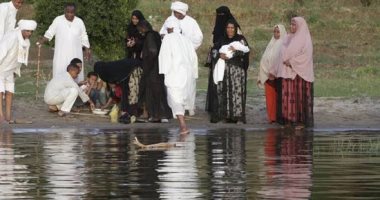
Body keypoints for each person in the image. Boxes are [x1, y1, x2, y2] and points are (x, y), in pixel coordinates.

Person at [159, 18, 198, 134]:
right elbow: (194, 58)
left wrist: (163, 71)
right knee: (181, 99)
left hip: (174, 74)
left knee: (175, 99)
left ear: (169, 28)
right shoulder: (186, 40)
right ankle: (183, 126)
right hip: (187, 75)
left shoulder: (168, 38)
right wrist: (194, 74)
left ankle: (183, 126)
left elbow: (164, 56)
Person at [37, 3, 91, 82]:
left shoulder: (79, 22)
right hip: (61, 55)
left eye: (71, 12)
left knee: (76, 75)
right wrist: (42, 41)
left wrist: (87, 49)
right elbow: (50, 33)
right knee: (60, 74)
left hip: (75, 54)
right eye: (67, 12)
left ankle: (76, 91)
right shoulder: (58, 20)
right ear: (64, 11)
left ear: (75, 12)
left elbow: (84, 36)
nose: (69, 14)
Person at [209, 20, 250, 124]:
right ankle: (226, 115)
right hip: (224, 71)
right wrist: (219, 55)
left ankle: (237, 116)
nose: (230, 30)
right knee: (224, 91)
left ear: (235, 29)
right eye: (228, 28)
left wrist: (235, 52)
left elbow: (246, 51)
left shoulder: (240, 39)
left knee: (236, 92)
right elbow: (213, 50)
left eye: (232, 28)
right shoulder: (222, 39)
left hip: (237, 71)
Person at [277, 17, 314, 129]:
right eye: (291, 24)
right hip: (288, 72)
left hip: (300, 75)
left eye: (294, 25)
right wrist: (286, 60)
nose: (291, 27)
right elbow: (282, 52)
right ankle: (288, 120)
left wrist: (292, 62)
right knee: (288, 96)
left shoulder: (306, 40)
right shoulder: (287, 38)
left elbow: (306, 56)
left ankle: (300, 122)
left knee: (300, 98)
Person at [0, 19, 36, 123]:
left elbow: (20, 59)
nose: (29, 33)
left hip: (10, 70)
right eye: (27, 31)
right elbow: (1, 52)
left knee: (10, 92)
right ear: (22, 29)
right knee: (0, 92)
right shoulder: (11, 37)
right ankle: (0, 116)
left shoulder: (26, 42)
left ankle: (8, 116)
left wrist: (16, 70)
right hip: (1, 68)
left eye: (31, 31)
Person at [206, 6, 240, 116]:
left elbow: (239, 44)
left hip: (231, 61)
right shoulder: (217, 28)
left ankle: (229, 108)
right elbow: (214, 43)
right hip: (217, 60)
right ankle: (216, 107)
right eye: (218, 15)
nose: (220, 18)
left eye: (222, 15)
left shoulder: (234, 27)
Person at [137, 20, 172, 122]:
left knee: (152, 92)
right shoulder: (156, 35)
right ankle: (161, 114)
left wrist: (148, 64)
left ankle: (157, 115)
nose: (140, 32)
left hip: (152, 69)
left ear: (143, 28)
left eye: (140, 30)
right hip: (158, 68)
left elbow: (153, 51)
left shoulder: (149, 36)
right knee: (159, 91)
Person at [94, 58, 143, 122]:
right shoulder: (112, 73)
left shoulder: (111, 72)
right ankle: (131, 114)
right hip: (130, 70)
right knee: (130, 95)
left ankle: (134, 114)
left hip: (134, 68)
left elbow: (125, 95)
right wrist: (106, 106)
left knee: (133, 93)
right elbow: (113, 95)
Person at [258, 24, 287, 124]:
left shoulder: (284, 44)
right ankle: (272, 118)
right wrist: (266, 72)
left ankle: (279, 117)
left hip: (278, 76)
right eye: (274, 32)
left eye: (278, 32)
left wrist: (274, 72)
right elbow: (265, 58)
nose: (276, 34)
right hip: (268, 75)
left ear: (282, 32)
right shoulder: (271, 43)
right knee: (270, 98)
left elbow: (281, 60)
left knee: (278, 97)